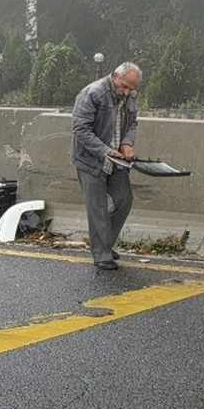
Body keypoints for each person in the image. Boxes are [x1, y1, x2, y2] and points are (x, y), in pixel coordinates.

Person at [70, 62, 141, 270]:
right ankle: (102, 254)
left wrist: (127, 142)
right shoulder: (93, 93)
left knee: (123, 200)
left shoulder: (130, 97)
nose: (126, 91)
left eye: (131, 88)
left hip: (117, 160)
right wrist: (105, 150)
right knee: (97, 207)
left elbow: (133, 122)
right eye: (124, 85)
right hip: (90, 159)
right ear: (114, 76)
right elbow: (80, 130)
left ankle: (104, 243)